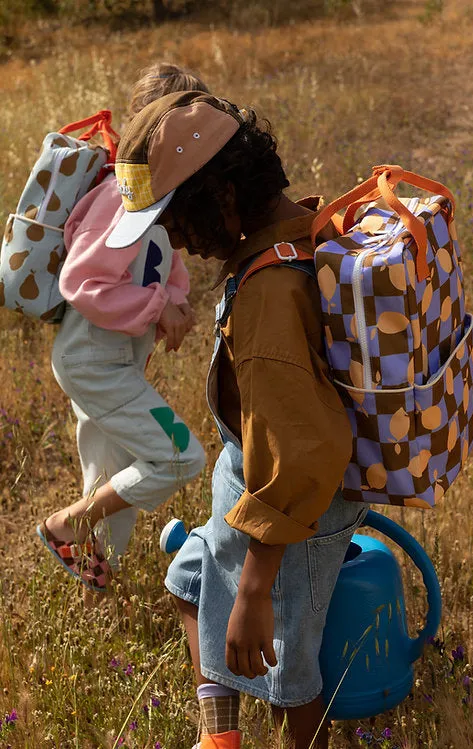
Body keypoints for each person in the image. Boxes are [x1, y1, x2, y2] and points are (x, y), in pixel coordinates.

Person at [105, 91, 367, 749]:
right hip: (251, 486)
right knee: (190, 575)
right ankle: (220, 738)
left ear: (222, 197)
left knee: (286, 668)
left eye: (178, 220)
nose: (178, 240)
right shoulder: (285, 234)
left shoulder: (269, 297)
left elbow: (302, 449)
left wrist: (254, 587)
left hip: (290, 519)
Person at [36, 65, 209, 593]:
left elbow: (169, 270)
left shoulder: (157, 199)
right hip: (94, 362)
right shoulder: (121, 196)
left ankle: (94, 587)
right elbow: (82, 282)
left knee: (113, 478)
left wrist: (174, 305)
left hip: (113, 361)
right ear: (151, 132)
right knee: (180, 454)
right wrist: (160, 309)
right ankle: (64, 525)